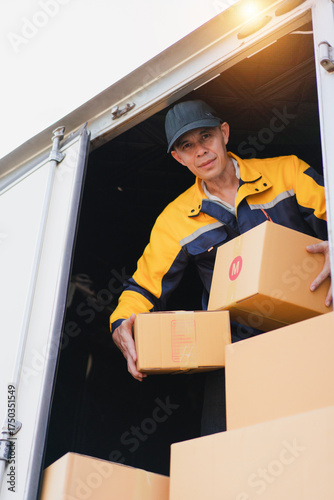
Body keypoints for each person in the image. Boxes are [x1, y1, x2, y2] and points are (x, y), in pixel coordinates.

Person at [110, 99, 332, 432]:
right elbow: (144, 286)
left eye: (206, 137)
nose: (200, 151)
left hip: (318, 323)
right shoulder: (175, 220)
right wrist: (120, 323)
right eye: (187, 146)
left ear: (224, 133)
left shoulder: (287, 171)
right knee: (234, 447)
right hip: (244, 349)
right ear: (178, 157)